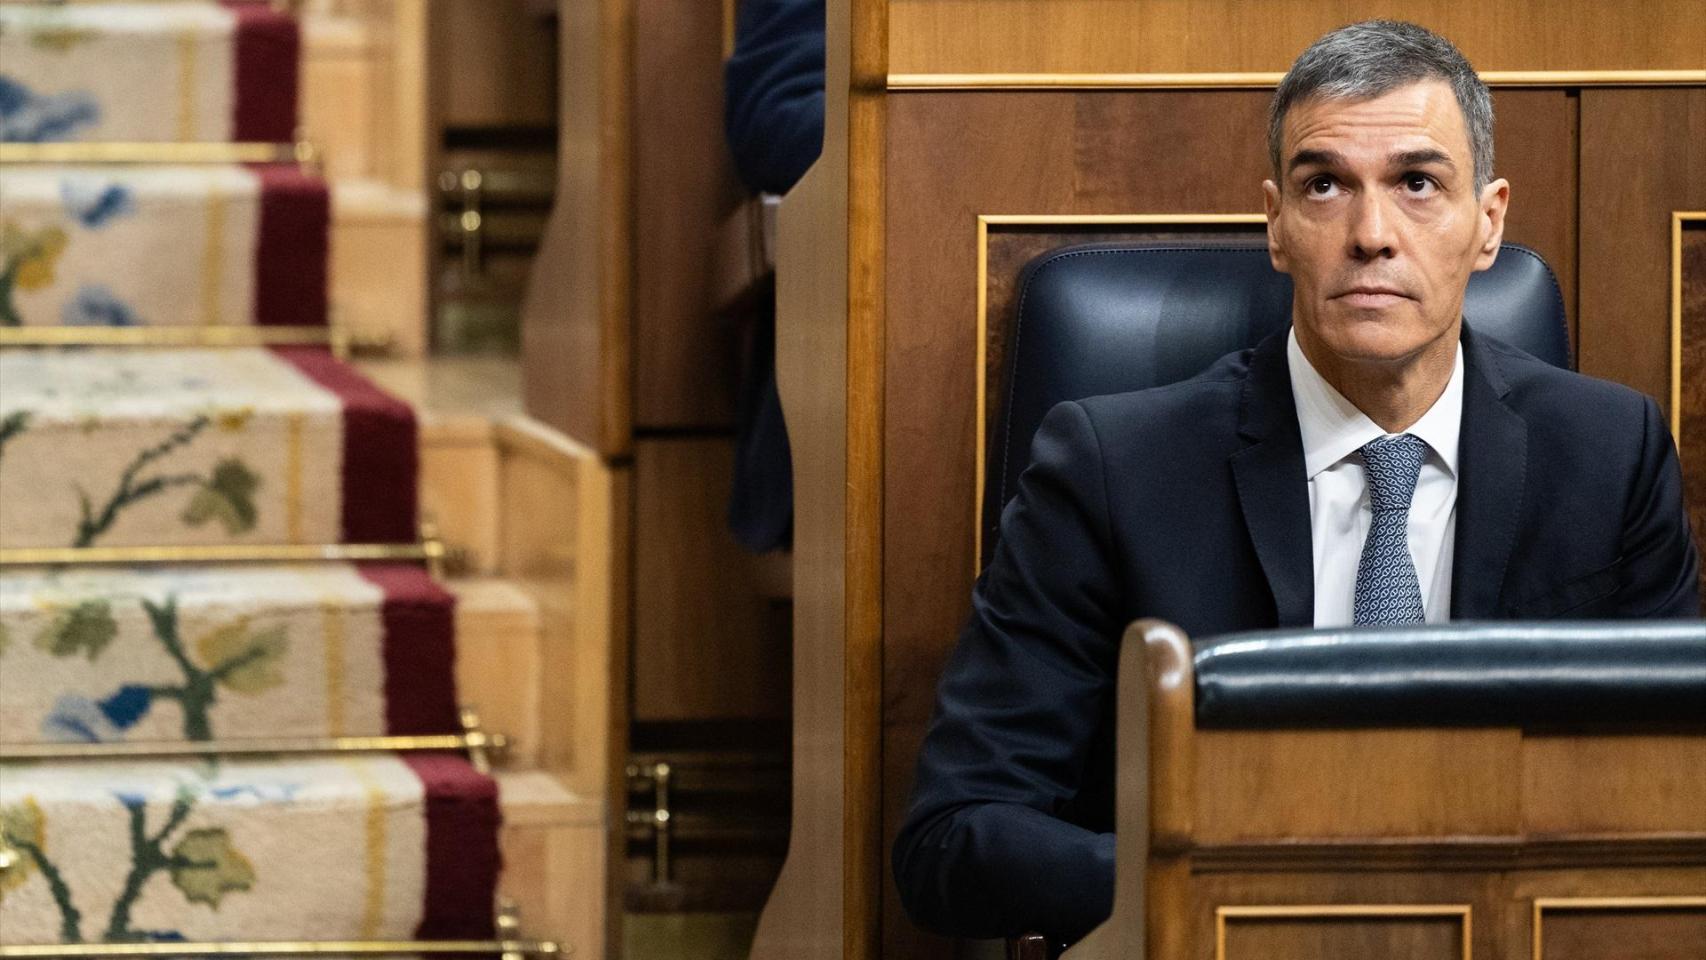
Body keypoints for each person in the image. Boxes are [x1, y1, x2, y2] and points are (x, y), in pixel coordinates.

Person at [892, 19, 1701, 946]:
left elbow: (1672, 805)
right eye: (1326, 185)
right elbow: (954, 838)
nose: (1370, 235)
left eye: (1417, 184)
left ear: (1489, 222)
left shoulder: (1610, 453)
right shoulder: (1113, 468)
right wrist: (1238, 887)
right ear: (1276, 224)